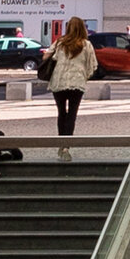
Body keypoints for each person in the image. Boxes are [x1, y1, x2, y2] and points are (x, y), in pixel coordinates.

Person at [44, 17, 98, 159]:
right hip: (77, 82)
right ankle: (66, 147)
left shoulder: (60, 43)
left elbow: (46, 57)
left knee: (61, 112)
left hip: (59, 81)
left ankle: (61, 143)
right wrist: (84, 74)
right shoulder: (86, 45)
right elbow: (93, 66)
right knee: (72, 114)